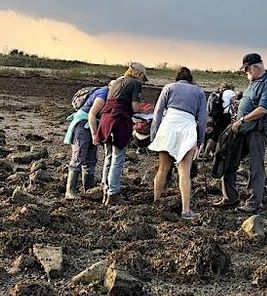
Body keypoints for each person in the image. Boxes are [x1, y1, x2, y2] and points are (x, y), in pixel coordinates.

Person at [217, 53, 267, 213]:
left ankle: (253, 203)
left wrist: (242, 120)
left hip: (257, 128)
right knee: (228, 158)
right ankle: (230, 198)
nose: (246, 73)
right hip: (241, 127)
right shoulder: (253, 81)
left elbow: (263, 109)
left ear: (255, 67)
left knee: (255, 165)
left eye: (247, 69)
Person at [149, 67, 208, 219]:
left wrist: (154, 135)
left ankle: (156, 203)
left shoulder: (168, 88)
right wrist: (201, 140)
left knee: (163, 169)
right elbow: (202, 120)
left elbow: (157, 113)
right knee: (184, 172)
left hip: (168, 127)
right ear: (191, 79)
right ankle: (186, 210)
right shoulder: (199, 92)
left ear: (177, 79)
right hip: (187, 129)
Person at [88, 61, 147, 206]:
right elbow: (134, 107)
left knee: (108, 156)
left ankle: (105, 189)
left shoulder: (116, 82)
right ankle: (113, 194)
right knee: (118, 157)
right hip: (119, 120)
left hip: (106, 120)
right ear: (138, 74)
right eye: (143, 78)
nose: (142, 81)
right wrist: (143, 110)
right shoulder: (135, 84)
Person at [64, 83, 108, 199]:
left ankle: (88, 190)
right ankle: (70, 191)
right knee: (79, 155)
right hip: (83, 124)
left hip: (91, 124)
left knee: (91, 157)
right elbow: (92, 114)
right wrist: (94, 134)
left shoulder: (105, 93)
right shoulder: (103, 93)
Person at [202, 83, 237, 161]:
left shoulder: (217, 94)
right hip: (225, 117)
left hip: (217, 117)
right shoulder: (230, 92)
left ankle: (205, 154)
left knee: (214, 136)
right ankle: (216, 157)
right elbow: (234, 103)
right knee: (222, 137)